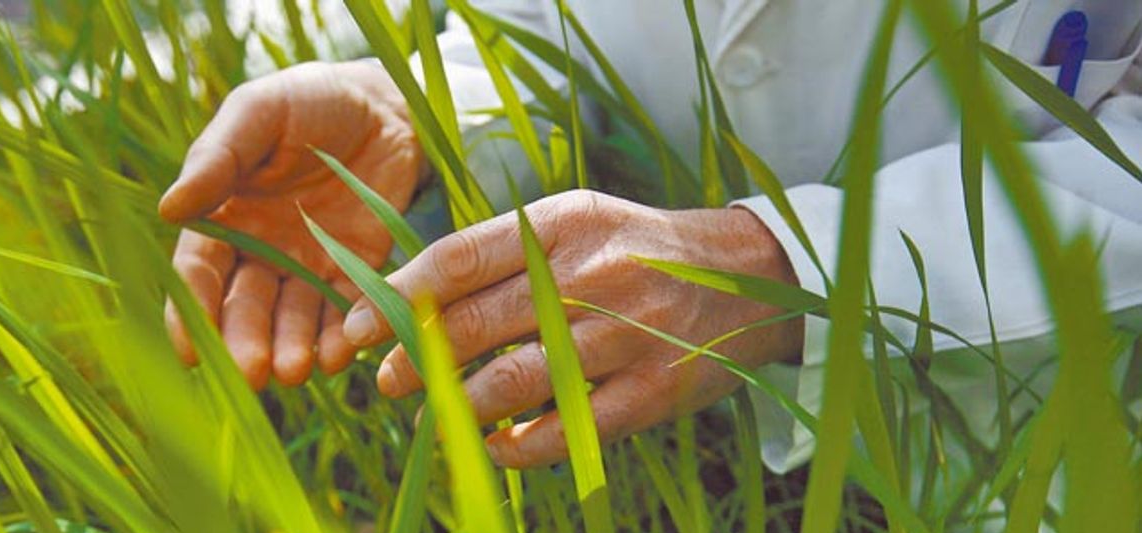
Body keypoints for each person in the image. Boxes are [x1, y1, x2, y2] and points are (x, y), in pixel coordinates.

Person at [158, 0, 1142, 473]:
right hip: (687, 460)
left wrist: (784, 267)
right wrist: (424, 115)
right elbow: (555, 28)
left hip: (1069, 492)